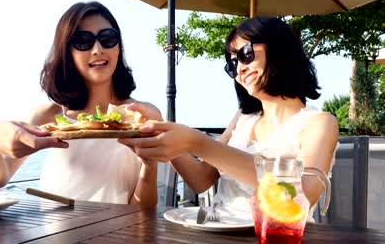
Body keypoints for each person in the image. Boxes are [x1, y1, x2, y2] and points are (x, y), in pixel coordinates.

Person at [119, 16, 339, 220]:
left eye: (245, 54)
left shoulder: (319, 123)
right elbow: (201, 179)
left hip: (277, 236)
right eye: (233, 64)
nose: (240, 68)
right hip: (219, 230)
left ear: (280, 49)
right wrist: (160, 130)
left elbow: (302, 196)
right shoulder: (243, 118)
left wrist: (198, 143)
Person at [0, 1, 161, 206]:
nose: (97, 49)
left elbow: (143, 212)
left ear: (118, 46)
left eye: (107, 38)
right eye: (83, 41)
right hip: (54, 232)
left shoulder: (140, 116)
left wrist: (150, 167)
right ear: (68, 53)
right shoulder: (48, 117)